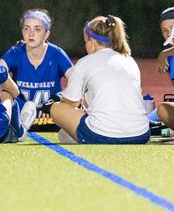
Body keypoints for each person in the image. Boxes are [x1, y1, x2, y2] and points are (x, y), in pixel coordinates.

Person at [51, 15, 150, 144]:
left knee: (56, 108)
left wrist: (61, 100)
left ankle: (81, 135)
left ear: (91, 42)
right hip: (141, 134)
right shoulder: (129, 61)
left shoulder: (85, 62)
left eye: (85, 42)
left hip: (103, 135)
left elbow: (70, 104)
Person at [0, 9, 73, 113]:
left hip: (51, 117)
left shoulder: (56, 54)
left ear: (46, 34)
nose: (31, 34)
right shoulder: (14, 53)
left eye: (37, 29)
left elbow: (77, 82)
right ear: (22, 32)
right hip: (21, 117)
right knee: (3, 92)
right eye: (26, 29)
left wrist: (59, 97)